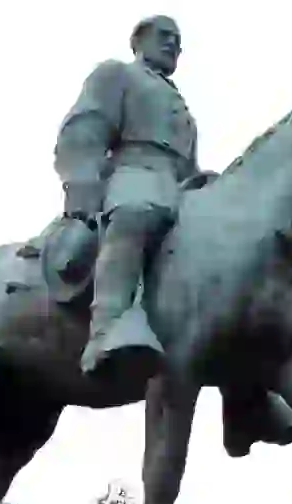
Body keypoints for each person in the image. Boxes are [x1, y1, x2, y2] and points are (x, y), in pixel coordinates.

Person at [54, 15, 208, 384]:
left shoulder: (180, 103)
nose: (173, 44)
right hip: (131, 173)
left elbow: (188, 162)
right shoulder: (117, 74)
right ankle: (108, 326)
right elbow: (86, 127)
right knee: (137, 213)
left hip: (177, 183)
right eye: (164, 36)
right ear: (138, 40)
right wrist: (83, 183)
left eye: (178, 41)